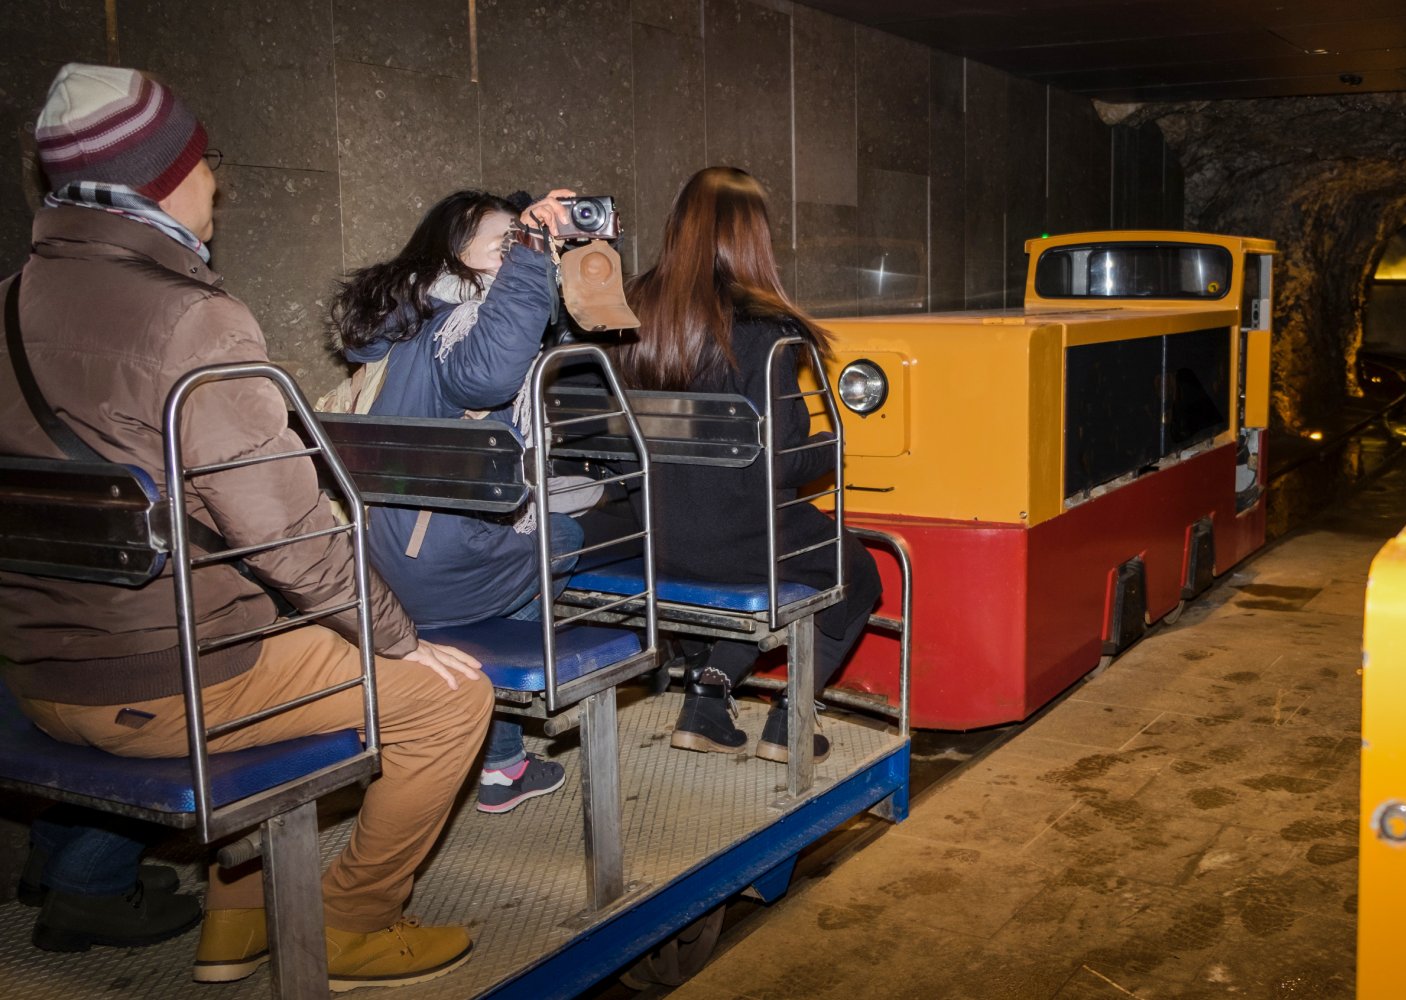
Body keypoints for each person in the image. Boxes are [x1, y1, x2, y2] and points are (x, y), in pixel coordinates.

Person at [0, 63, 493, 990]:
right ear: (159, 175)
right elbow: (289, 533)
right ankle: (351, 923)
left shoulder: (3, 308)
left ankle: (233, 925)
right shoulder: (192, 319)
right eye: (205, 159)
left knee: (300, 648)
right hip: (172, 680)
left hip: (37, 676)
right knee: (448, 700)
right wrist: (399, 639)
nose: (217, 181)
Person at [614, 166, 883, 763]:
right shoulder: (767, 329)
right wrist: (832, 443)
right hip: (743, 543)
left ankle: (707, 700)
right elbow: (785, 461)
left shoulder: (630, 307)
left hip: (655, 539)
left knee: (773, 558)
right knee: (856, 571)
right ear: (751, 237)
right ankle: (792, 718)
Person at [330, 189, 582, 814]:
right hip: (429, 574)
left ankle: (495, 754)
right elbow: (491, 374)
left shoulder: (404, 321)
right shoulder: (459, 326)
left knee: (538, 521)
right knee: (567, 534)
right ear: (456, 256)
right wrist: (530, 259)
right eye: (503, 245)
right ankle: (495, 749)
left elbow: (556, 333)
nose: (517, 254)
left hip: (370, 562)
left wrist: (563, 262)